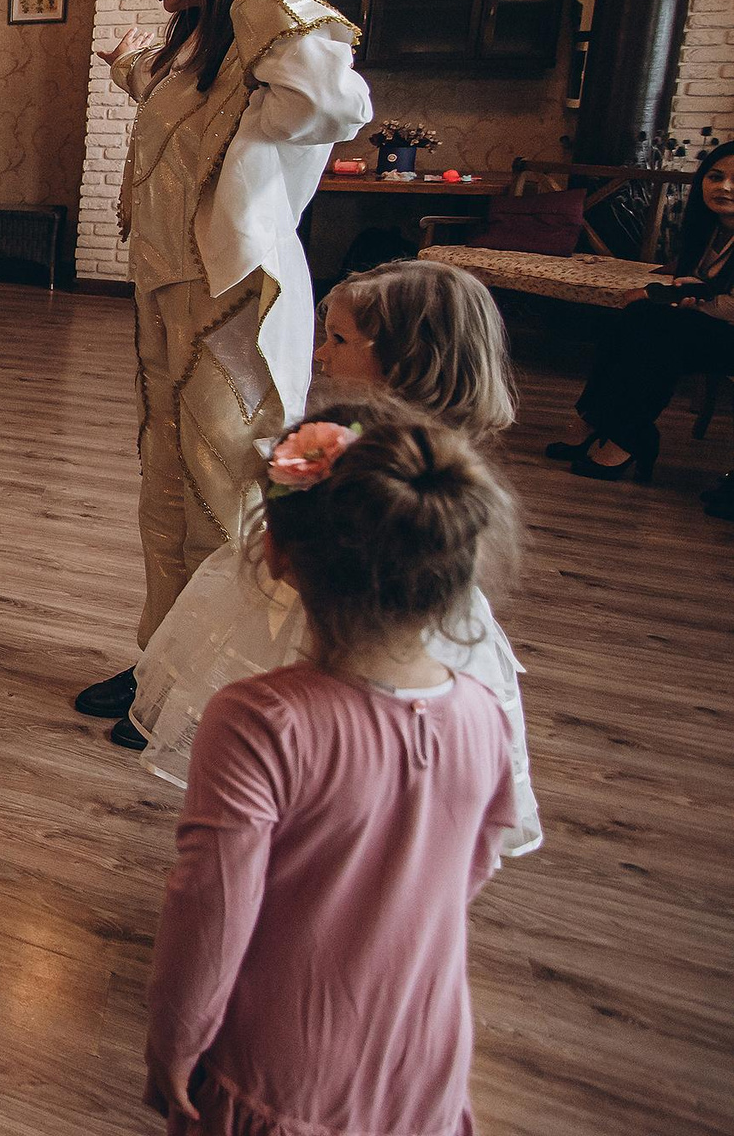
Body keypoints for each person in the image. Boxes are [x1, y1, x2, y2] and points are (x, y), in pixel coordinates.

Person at [145, 399, 519, 1136]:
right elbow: (470, 869)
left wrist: (174, 1042)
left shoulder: (257, 721)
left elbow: (211, 912)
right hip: (426, 1062)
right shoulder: (484, 712)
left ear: (277, 553)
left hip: (279, 1069)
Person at [75, 0, 372, 728]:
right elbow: (180, 116)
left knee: (224, 504)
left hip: (233, 319)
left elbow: (339, 106)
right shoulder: (197, 46)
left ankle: (206, 695)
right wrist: (128, 66)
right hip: (164, 305)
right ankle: (157, 664)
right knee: (164, 497)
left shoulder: (276, 44)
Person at [129, 260, 541, 859]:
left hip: (334, 612)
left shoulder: (349, 449)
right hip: (350, 612)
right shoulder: (418, 452)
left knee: (322, 722)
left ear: (406, 356)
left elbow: (280, 530)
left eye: (340, 340)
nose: (321, 355)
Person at [549, 136, 734, 485]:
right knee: (638, 320)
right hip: (710, 326)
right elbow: (692, 283)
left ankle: (625, 435)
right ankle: (597, 419)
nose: (724, 187)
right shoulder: (708, 228)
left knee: (658, 329)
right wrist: (671, 296)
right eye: (715, 176)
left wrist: (676, 298)